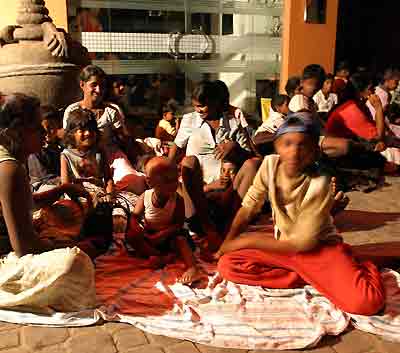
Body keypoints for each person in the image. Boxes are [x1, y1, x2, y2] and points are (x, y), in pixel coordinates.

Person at [214, 114, 384, 316]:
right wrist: (228, 242)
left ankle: (359, 268)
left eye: (303, 145)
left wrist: (244, 241)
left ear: (314, 151)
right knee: (228, 265)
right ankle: (315, 277)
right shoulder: (269, 165)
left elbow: (301, 241)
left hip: (318, 249)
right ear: (277, 146)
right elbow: (248, 208)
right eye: (287, 143)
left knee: (366, 303)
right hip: (284, 249)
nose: (294, 151)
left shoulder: (321, 179)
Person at [0, 93, 96, 311]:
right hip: (6, 257)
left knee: (65, 213)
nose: (44, 132)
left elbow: (21, 203)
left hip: (13, 242)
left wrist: (62, 189)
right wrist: (75, 247)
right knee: (76, 263)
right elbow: (24, 248)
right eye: (36, 127)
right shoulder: (10, 168)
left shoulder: (12, 161)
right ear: (14, 132)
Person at [168, 81, 260, 250]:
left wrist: (235, 148)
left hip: (228, 197)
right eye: (196, 106)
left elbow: (254, 159)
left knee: (252, 164)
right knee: (189, 162)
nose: (198, 110)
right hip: (198, 198)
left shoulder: (233, 123)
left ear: (216, 103)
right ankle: (209, 229)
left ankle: (229, 229)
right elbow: (172, 158)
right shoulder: (189, 121)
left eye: (202, 106)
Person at [125, 157, 201, 284]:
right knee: (131, 236)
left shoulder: (178, 200)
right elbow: (134, 216)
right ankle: (162, 257)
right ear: (149, 182)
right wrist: (135, 227)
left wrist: (163, 234)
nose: (174, 184)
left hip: (169, 236)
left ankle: (192, 267)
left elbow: (178, 224)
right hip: (151, 236)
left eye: (175, 180)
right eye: (167, 181)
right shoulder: (145, 196)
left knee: (181, 240)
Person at [63, 65, 125, 146]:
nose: (98, 90)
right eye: (94, 85)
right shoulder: (72, 110)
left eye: (102, 85)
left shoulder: (111, 110)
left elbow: (123, 138)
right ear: (82, 85)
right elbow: (68, 139)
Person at [61, 108, 114, 199]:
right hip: (77, 197)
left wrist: (109, 195)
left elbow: (108, 178)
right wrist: (88, 197)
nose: (88, 133)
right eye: (82, 130)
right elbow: (65, 185)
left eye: (91, 129)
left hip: (101, 195)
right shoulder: (66, 155)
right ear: (72, 134)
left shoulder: (99, 152)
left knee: (120, 211)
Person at [27, 105, 63, 192]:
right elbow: (43, 177)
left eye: (51, 126)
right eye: (43, 128)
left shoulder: (62, 147)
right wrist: (65, 180)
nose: (47, 131)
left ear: (58, 125)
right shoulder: (35, 150)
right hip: (41, 189)